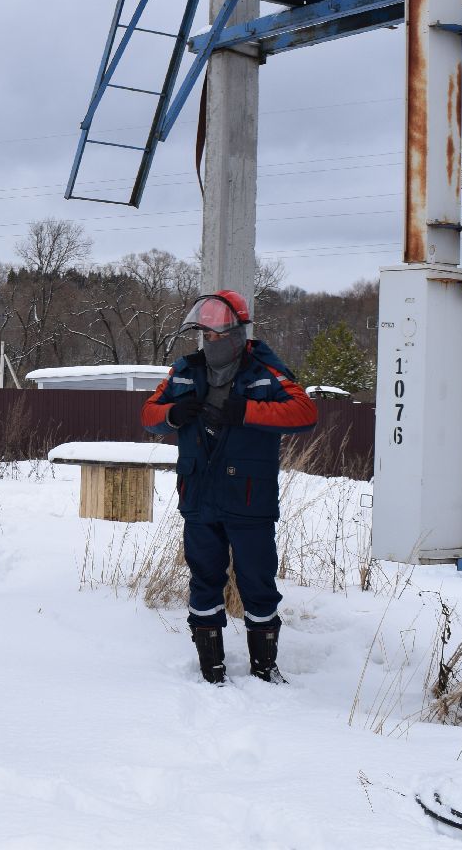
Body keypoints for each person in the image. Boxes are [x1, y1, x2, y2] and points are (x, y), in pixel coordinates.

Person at [141, 290, 317, 685]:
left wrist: (248, 412)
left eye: (218, 334)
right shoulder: (185, 369)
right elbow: (148, 414)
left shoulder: (263, 369)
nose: (211, 342)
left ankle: (263, 668)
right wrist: (172, 414)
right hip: (200, 497)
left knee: (258, 581)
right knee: (204, 579)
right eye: (205, 334)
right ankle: (211, 666)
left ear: (238, 331)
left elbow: (305, 412)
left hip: (249, 499)